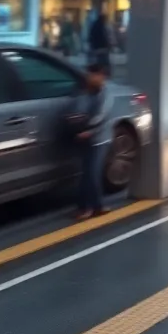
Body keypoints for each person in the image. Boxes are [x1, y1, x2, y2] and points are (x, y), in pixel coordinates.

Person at [67, 61, 112, 220]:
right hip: (86, 138)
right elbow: (77, 110)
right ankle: (93, 206)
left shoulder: (106, 94)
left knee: (92, 173)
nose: (90, 78)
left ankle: (89, 207)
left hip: (100, 140)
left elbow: (102, 117)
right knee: (86, 174)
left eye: (93, 75)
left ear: (101, 76)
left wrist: (88, 131)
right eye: (89, 75)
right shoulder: (86, 91)